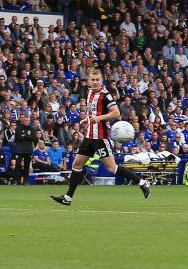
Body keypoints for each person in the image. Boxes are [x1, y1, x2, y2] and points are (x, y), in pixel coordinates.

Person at [50, 68, 151, 206]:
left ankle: (142, 182)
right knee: (77, 165)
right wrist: (88, 119)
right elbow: (92, 112)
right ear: (88, 80)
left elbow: (116, 113)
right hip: (89, 136)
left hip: (101, 137)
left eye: (97, 80)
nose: (95, 82)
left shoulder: (106, 95)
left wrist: (99, 118)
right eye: (93, 79)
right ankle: (68, 198)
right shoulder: (89, 92)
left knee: (111, 168)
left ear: (101, 81)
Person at [12, 114, 36, 185]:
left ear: (29, 121)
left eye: (28, 120)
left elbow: (33, 138)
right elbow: (18, 138)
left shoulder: (32, 128)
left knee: (27, 166)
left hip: (28, 150)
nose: (26, 122)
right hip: (20, 149)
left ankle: (26, 181)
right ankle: (16, 180)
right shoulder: (19, 128)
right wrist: (28, 136)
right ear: (23, 121)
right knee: (18, 165)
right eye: (25, 120)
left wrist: (25, 136)